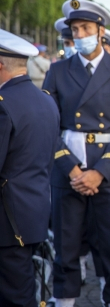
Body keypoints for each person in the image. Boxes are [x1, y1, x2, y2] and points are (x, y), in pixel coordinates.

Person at [44, 0, 110, 307]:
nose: (80, 34)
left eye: (86, 28)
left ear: (100, 31)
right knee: (66, 247)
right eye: (75, 29)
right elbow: (49, 125)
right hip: (68, 171)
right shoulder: (57, 71)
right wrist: (73, 170)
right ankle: (65, 301)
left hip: (108, 173)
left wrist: (98, 172)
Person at [0, 30, 60, 307]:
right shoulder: (46, 100)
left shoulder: (4, 105)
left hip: (7, 221)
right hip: (33, 213)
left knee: (13, 297)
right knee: (22, 291)